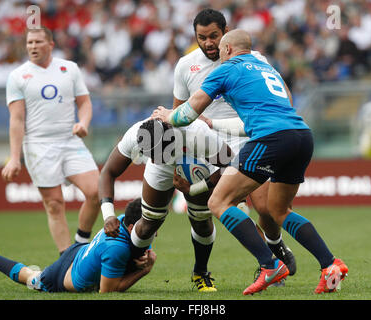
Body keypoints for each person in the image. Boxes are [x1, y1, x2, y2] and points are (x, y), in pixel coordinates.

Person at [152, 29, 348, 294]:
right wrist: (214, 123)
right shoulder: (265, 67)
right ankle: (330, 264)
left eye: (221, 48)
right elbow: (260, 118)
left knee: (218, 202)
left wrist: (168, 114)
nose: (218, 53)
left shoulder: (225, 69)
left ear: (229, 49)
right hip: (301, 136)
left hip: (271, 140)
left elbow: (186, 114)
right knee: (277, 211)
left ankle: (270, 265)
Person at [172, 8, 296, 275]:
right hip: (207, 146)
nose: (208, 43)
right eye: (202, 37)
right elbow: (178, 111)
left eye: (213, 36)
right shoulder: (185, 66)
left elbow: (283, 95)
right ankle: (211, 270)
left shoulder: (251, 58)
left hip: (247, 139)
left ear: (225, 33)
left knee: (264, 208)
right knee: (204, 214)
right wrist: (178, 155)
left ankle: (274, 249)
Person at [99, 117, 233, 292]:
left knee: (201, 221)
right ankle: (127, 269)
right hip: (162, 170)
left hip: (194, 161)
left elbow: (231, 164)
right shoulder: (136, 135)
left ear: (171, 140)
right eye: (149, 155)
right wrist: (108, 214)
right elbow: (107, 172)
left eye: (156, 155)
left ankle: (201, 273)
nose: (152, 160)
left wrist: (194, 188)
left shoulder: (197, 133)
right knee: (148, 225)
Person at [1, 27, 100, 255]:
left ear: (50, 44)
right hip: (38, 145)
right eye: (29, 43)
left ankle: (81, 240)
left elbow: (84, 103)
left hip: (70, 140)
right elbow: (16, 120)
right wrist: (15, 158)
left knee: (96, 191)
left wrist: (83, 123)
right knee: (54, 204)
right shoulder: (17, 76)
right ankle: (67, 259)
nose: (32, 46)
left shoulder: (70, 69)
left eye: (37, 42)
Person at [0, 198, 156, 293]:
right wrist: (144, 270)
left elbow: (137, 242)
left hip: (79, 252)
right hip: (59, 277)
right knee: (31, 278)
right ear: (133, 227)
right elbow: (107, 291)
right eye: (151, 228)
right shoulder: (117, 248)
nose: (155, 232)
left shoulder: (120, 220)